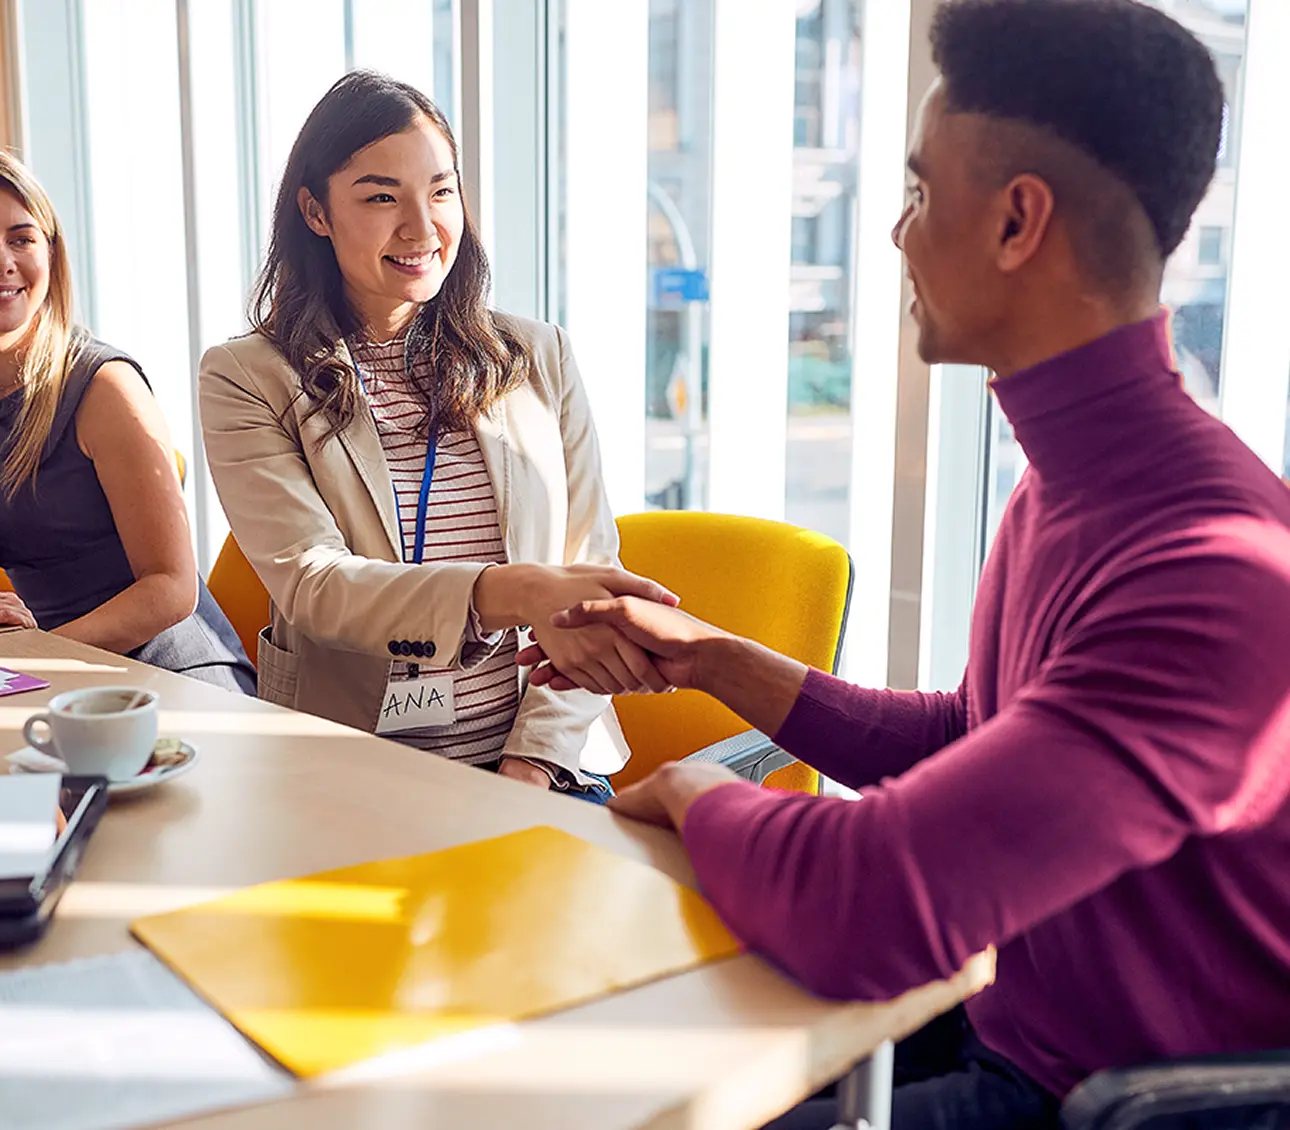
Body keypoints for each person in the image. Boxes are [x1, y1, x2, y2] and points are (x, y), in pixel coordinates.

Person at [520, 0, 1290, 1125]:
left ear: (1017, 221)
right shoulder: (1069, 480)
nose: (894, 234)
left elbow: (867, 900)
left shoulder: (1207, 567)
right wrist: (716, 662)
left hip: (1111, 1102)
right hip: (1001, 1028)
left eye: (920, 193)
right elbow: (975, 741)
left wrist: (690, 786)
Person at [198, 72, 673, 800]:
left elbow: (587, 563)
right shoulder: (246, 376)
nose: (422, 228)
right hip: (353, 770)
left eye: (441, 191)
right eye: (382, 196)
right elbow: (315, 585)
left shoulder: (537, 357)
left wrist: (530, 767)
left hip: (540, 768)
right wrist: (510, 593)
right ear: (315, 211)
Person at [0, 149, 255, 694]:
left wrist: (36, 658)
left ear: (50, 255)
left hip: (171, 674)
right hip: (43, 666)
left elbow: (171, 589)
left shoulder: (105, 388)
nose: (0, 260)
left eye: (22, 238)